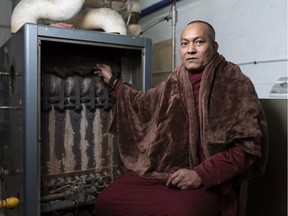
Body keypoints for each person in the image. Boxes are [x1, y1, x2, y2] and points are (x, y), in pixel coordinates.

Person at [93, 20, 268, 216]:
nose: (190, 50)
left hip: (207, 179)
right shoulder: (175, 79)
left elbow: (247, 147)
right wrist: (114, 83)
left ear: (214, 46)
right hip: (165, 170)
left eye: (199, 42)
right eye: (185, 43)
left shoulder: (235, 82)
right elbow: (143, 104)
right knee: (106, 201)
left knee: (180, 212)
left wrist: (201, 174)